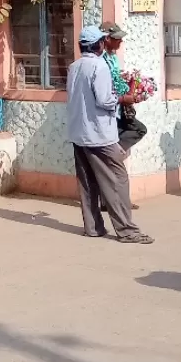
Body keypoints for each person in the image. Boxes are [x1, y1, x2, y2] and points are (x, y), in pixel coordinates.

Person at [66, 25, 154, 243]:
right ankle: (127, 230)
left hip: (79, 132)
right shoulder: (99, 66)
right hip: (99, 133)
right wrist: (124, 99)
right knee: (118, 179)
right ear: (99, 44)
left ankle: (94, 227)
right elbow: (105, 100)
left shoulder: (74, 66)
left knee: (88, 183)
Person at [101, 22, 148, 156]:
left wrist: (126, 78)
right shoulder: (100, 59)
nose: (120, 41)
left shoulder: (113, 57)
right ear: (107, 39)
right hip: (109, 108)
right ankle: (111, 155)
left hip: (119, 107)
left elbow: (115, 77)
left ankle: (113, 153)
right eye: (117, 38)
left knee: (139, 129)